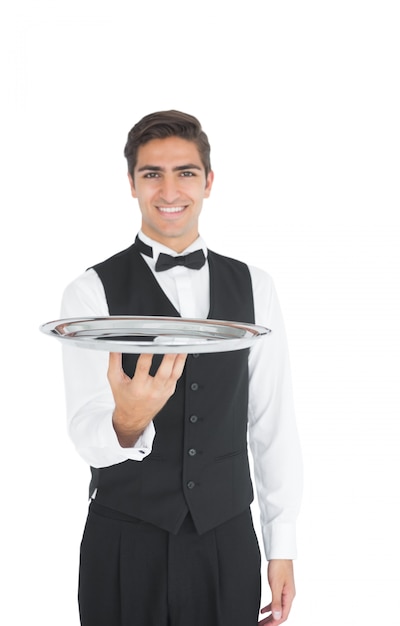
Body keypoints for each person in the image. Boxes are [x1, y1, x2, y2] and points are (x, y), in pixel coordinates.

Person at [60, 110, 303, 626]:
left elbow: (272, 424)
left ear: (209, 181)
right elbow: (86, 432)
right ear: (132, 184)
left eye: (186, 172)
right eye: (152, 174)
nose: (169, 190)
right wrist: (128, 420)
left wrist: (282, 545)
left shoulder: (256, 286)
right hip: (124, 539)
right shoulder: (89, 293)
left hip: (227, 538)